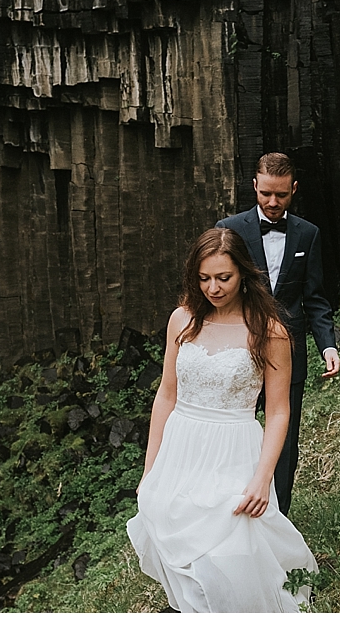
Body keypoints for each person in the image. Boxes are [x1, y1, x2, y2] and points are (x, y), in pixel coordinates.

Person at [127, 228, 318, 613]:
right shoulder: (182, 320)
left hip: (234, 447)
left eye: (223, 278)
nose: (213, 288)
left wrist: (263, 478)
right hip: (181, 447)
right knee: (179, 546)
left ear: (244, 274)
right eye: (204, 278)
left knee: (230, 548)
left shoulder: (270, 330)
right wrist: (150, 469)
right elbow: (167, 394)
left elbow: (279, 410)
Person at [216, 152, 340, 516]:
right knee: (233, 433)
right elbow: (216, 290)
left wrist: (328, 346)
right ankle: (228, 511)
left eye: (281, 195)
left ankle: (277, 520)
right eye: (266, 193)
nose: (273, 203)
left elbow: (315, 299)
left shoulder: (308, 233)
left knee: (284, 443)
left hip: (289, 354)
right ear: (254, 186)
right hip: (237, 351)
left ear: (294, 190)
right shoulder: (229, 229)